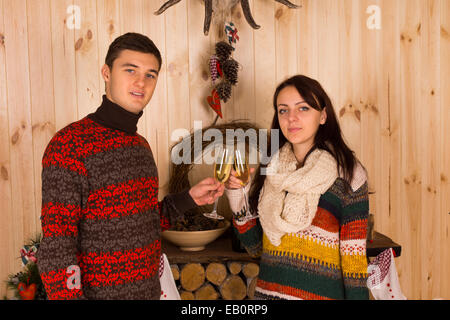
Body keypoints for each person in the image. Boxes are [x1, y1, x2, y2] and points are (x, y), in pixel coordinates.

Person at [36, 32, 224, 300]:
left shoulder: (141, 147)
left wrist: (189, 198)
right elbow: (57, 248)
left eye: (151, 74)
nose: (141, 82)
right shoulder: (70, 145)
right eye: (130, 70)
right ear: (106, 73)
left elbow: (143, 222)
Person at [225, 75, 370, 300]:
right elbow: (255, 247)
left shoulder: (348, 175)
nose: (291, 118)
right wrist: (237, 195)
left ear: (323, 115)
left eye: (303, 108)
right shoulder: (271, 170)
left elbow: (354, 260)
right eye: (283, 110)